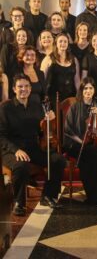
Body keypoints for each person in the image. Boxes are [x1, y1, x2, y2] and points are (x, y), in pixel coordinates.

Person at [0, 73, 66, 216]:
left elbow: (41, 131)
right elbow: (1, 136)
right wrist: (16, 150)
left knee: (58, 160)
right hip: (11, 149)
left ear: (30, 89)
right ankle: (19, 202)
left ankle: (48, 195)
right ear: (14, 89)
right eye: (20, 87)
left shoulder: (37, 106)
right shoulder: (6, 108)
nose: (23, 89)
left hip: (33, 147)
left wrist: (49, 122)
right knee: (21, 165)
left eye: (26, 86)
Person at [64, 77, 97, 205]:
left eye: (91, 88)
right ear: (81, 90)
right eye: (85, 88)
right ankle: (93, 195)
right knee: (94, 154)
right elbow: (68, 131)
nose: (88, 91)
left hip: (92, 142)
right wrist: (81, 142)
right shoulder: (75, 107)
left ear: (94, 90)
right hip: (76, 143)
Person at [44, 33, 81, 109]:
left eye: (65, 41)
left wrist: (79, 95)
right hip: (53, 98)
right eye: (60, 41)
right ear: (56, 44)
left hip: (71, 97)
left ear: (68, 44)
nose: (63, 44)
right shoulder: (48, 58)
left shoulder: (74, 59)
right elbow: (43, 78)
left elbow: (77, 80)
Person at [0, 27, 33, 96]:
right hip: (9, 82)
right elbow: (4, 68)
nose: (21, 38)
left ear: (27, 38)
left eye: (24, 36)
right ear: (15, 37)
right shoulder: (7, 48)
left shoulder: (29, 50)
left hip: (23, 85)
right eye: (19, 35)